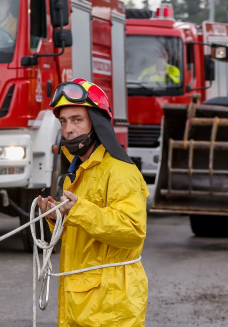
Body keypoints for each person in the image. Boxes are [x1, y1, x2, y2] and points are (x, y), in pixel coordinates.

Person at [38, 78, 150, 326]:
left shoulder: (120, 171)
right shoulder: (78, 172)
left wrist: (78, 210)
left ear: (96, 124)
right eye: (64, 121)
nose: (68, 129)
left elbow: (133, 231)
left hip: (111, 306)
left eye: (77, 119)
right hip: (82, 303)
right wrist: (56, 217)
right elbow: (81, 237)